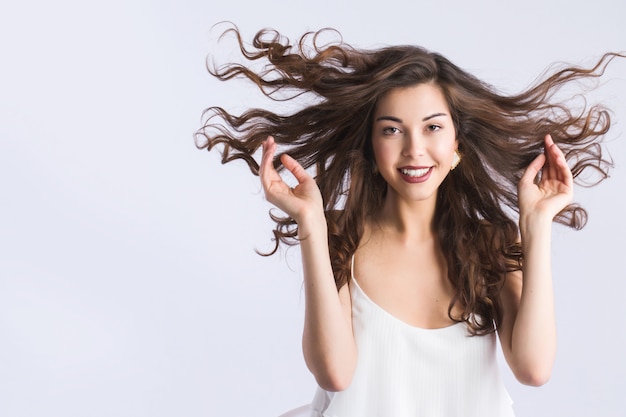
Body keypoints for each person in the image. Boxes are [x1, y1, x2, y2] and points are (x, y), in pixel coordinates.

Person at [196, 25, 620, 417]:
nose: (415, 150)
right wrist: (310, 221)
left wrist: (536, 223)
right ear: (371, 144)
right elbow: (334, 375)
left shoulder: (490, 242)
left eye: (432, 127)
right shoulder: (340, 234)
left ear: (458, 140)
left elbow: (534, 368)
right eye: (392, 130)